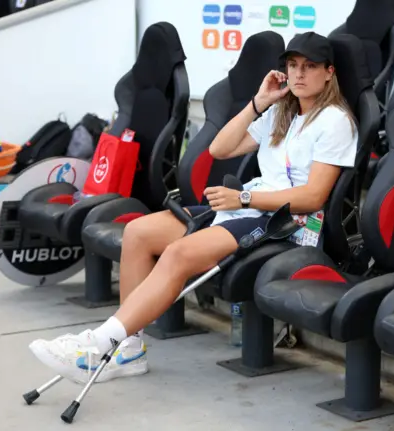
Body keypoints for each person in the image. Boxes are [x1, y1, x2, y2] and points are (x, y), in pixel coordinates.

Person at [28, 31, 359, 384]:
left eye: (309, 67)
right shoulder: (282, 112)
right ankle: (128, 351)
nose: (298, 74)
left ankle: (100, 343)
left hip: (288, 222)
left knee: (178, 253)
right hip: (248, 207)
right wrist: (259, 102)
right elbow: (219, 148)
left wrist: (244, 199)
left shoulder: (334, 121)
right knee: (139, 232)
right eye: (292, 66)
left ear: (329, 72)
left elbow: (312, 197)